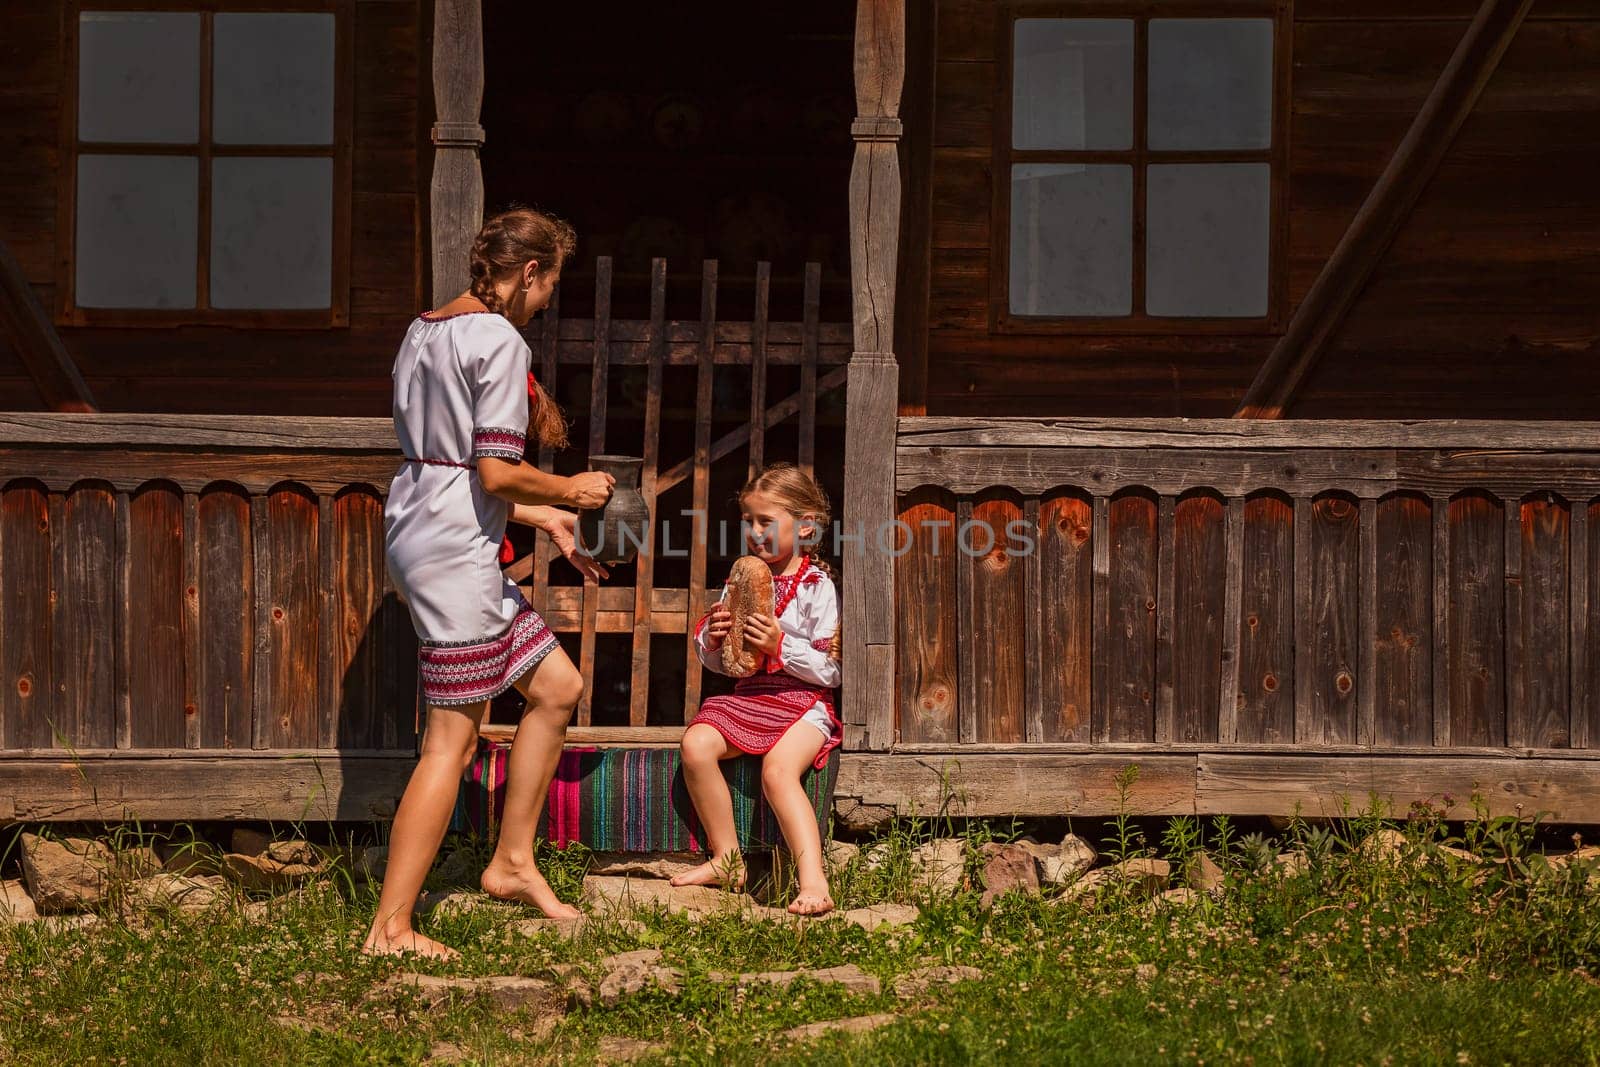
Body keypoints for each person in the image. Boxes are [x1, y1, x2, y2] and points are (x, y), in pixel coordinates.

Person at [365, 207, 614, 959]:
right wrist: (573, 491)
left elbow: (449, 464)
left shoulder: (425, 329)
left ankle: (510, 862)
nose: (545, 304)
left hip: (424, 525)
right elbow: (496, 469)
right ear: (529, 271)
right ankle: (391, 928)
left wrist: (541, 520)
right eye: (549, 286)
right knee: (453, 740)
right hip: (454, 551)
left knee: (557, 687)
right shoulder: (500, 340)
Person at [672, 463, 842, 916]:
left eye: (766, 521)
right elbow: (727, 663)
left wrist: (780, 645)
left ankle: (814, 880)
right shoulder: (741, 580)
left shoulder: (815, 586)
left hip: (805, 702)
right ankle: (727, 858)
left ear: (805, 525)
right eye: (749, 520)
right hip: (751, 696)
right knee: (696, 744)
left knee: (778, 772)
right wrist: (712, 637)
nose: (754, 530)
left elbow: (832, 669)